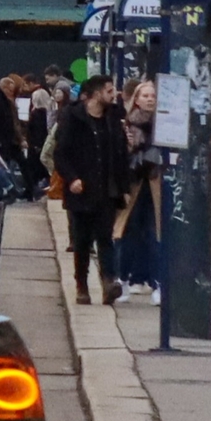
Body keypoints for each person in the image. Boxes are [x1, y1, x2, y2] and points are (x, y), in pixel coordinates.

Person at [53, 74, 130, 305]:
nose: (113, 94)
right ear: (96, 94)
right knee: (82, 241)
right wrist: (72, 178)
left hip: (106, 190)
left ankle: (108, 282)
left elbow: (120, 154)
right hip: (81, 190)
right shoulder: (74, 118)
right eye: (109, 90)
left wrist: (123, 186)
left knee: (105, 238)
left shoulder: (113, 118)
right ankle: (82, 286)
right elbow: (61, 153)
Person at [114, 78, 163, 302]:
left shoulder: (165, 125)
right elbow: (120, 156)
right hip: (133, 185)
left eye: (153, 96)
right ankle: (123, 280)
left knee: (156, 235)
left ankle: (158, 284)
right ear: (136, 100)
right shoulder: (127, 124)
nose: (150, 99)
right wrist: (129, 147)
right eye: (145, 96)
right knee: (127, 234)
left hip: (155, 185)